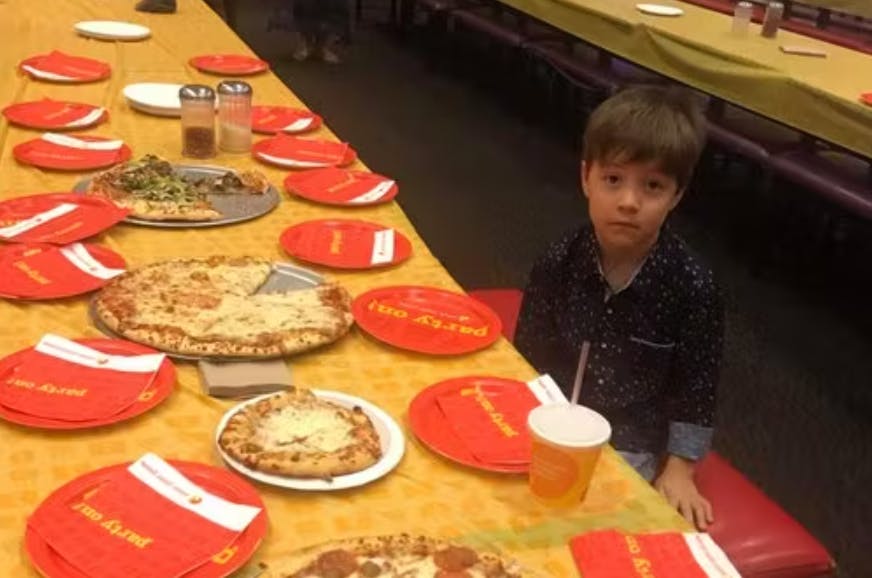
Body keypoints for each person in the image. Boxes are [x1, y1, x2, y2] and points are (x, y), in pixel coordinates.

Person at [514, 85, 723, 531]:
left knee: (593, 532)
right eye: (613, 180)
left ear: (676, 195)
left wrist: (681, 469)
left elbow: (697, 387)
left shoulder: (694, 286)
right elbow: (528, 354)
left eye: (652, 186)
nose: (629, 201)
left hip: (633, 439)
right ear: (586, 177)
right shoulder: (558, 259)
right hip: (553, 420)